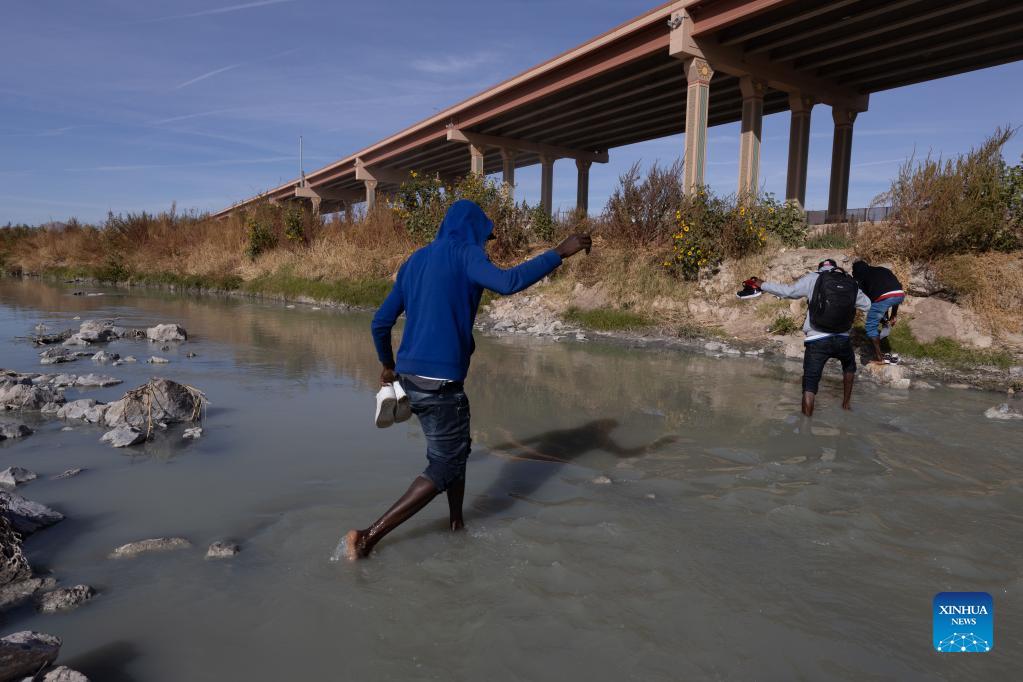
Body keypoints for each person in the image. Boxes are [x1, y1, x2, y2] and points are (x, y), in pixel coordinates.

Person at [342, 199, 592, 559]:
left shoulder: (414, 261)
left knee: (455, 452)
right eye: (485, 236)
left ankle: (456, 524)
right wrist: (558, 253)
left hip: (411, 379)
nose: (485, 244)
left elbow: (380, 322)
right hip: (442, 384)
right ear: (473, 229)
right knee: (443, 466)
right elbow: (508, 282)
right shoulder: (465, 255)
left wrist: (387, 364)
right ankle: (367, 537)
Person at [749, 258, 870, 417]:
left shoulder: (813, 277)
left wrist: (762, 284)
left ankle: (806, 425)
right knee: (849, 367)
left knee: (810, 386)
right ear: (835, 268)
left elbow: (788, 292)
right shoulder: (850, 281)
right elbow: (868, 304)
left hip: (817, 339)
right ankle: (846, 405)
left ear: (820, 268)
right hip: (842, 338)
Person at [851, 260, 905, 364]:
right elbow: (893, 291)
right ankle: (884, 347)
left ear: (856, 271)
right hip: (899, 294)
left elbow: (869, 300)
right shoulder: (881, 269)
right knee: (881, 315)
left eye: (853, 272)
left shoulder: (861, 276)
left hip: (884, 297)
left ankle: (879, 357)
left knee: (871, 326)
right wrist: (893, 314)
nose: (853, 274)